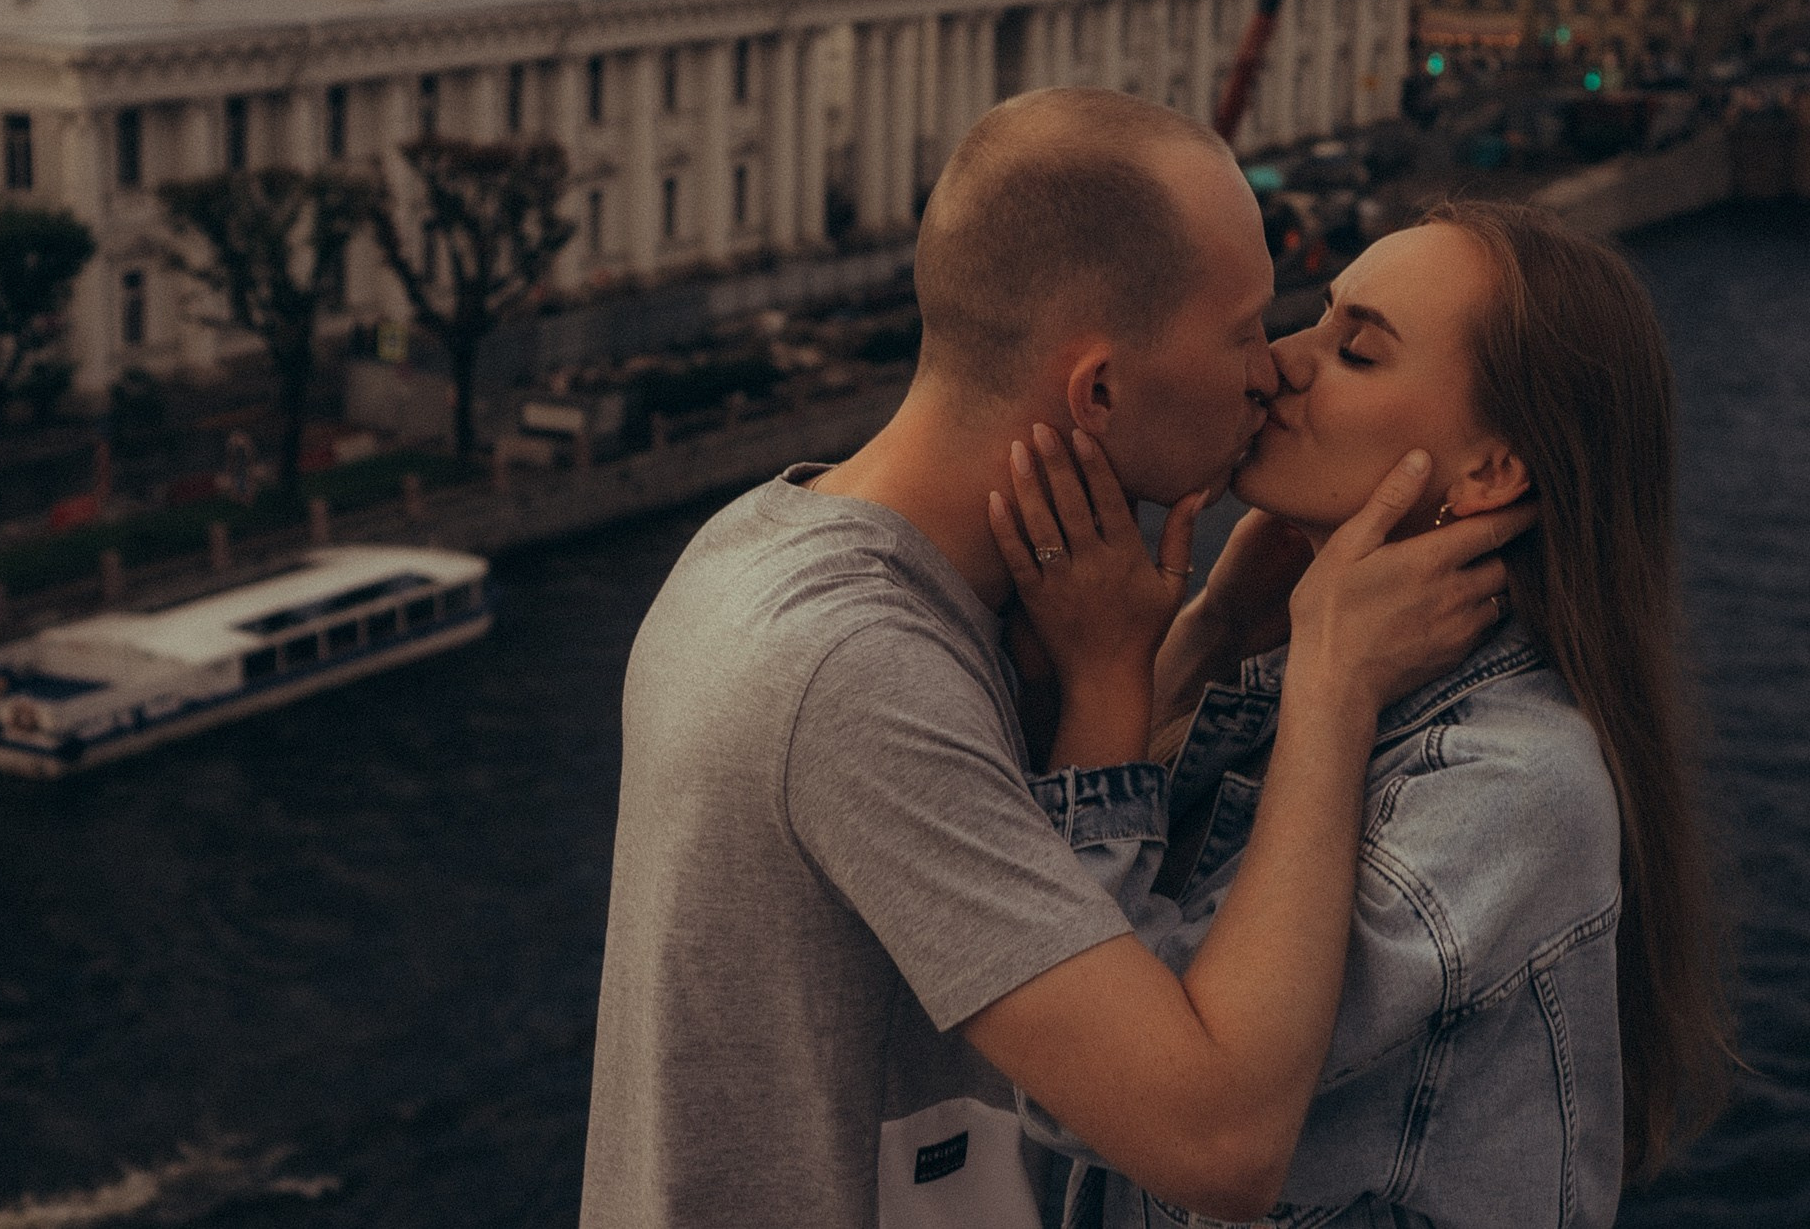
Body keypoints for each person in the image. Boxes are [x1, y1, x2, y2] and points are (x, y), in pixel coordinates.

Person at [580, 88, 1527, 1229]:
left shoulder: (768, 550)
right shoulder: (853, 674)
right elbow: (1218, 1140)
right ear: (1099, 391)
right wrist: (1331, 676)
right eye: (1241, 330)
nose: (1270, 367)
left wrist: (1186, 648)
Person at [994, 199, 1730, 1228]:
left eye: (1357, 350)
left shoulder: (1512, 783)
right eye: (1318, 314)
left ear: (1490, 471)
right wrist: (1206, 647)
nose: (1279, 362)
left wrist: (1118, 679)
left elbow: (1092, 1084)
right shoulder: (1305, 669)